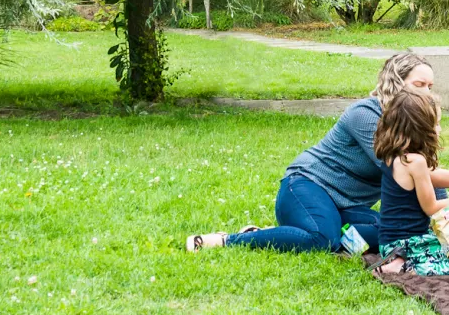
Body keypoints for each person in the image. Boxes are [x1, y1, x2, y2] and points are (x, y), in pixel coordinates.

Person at [186, 52, 448, 254]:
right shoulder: (366, 115)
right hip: (306, 187)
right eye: (419, 84)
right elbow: (410, 170)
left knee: (395, 231)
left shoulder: (409, 126)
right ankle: (227, 240)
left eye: (430, 86)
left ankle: (277, 234)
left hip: (347, 206)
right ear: (396, 83)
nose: (427, 92)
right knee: (322, 240)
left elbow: (424, 174)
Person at [373, 90, 449, 275]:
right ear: (421, 129)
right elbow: (430, 208)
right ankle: (401, 266)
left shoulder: (397, 156)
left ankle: (400, 261)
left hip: (389, 243)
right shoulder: (416, 162)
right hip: (409, 242)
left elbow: (434, 176)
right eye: (436, 124)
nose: (439, 129)